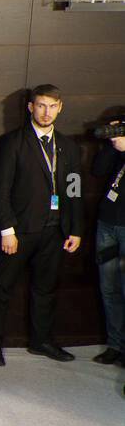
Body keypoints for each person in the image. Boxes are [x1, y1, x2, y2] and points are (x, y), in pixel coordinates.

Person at [0, 85, 83, 366]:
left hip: (55, 231)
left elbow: (74, 189)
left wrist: (75, 228)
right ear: (30, 107)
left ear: (60, 107)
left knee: (45, 289)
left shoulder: (69, 146)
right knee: (1, 287)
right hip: (20, 232)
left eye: (52, 106)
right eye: (41, 105)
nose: (46, 112)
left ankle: (42, 341)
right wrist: (7, 230)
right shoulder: (12, 143)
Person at [89, 117, 125, 365]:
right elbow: (98, 170)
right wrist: (110, 145)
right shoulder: (116, 150)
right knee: (109, 289)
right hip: (107, 224)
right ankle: (116, 345)